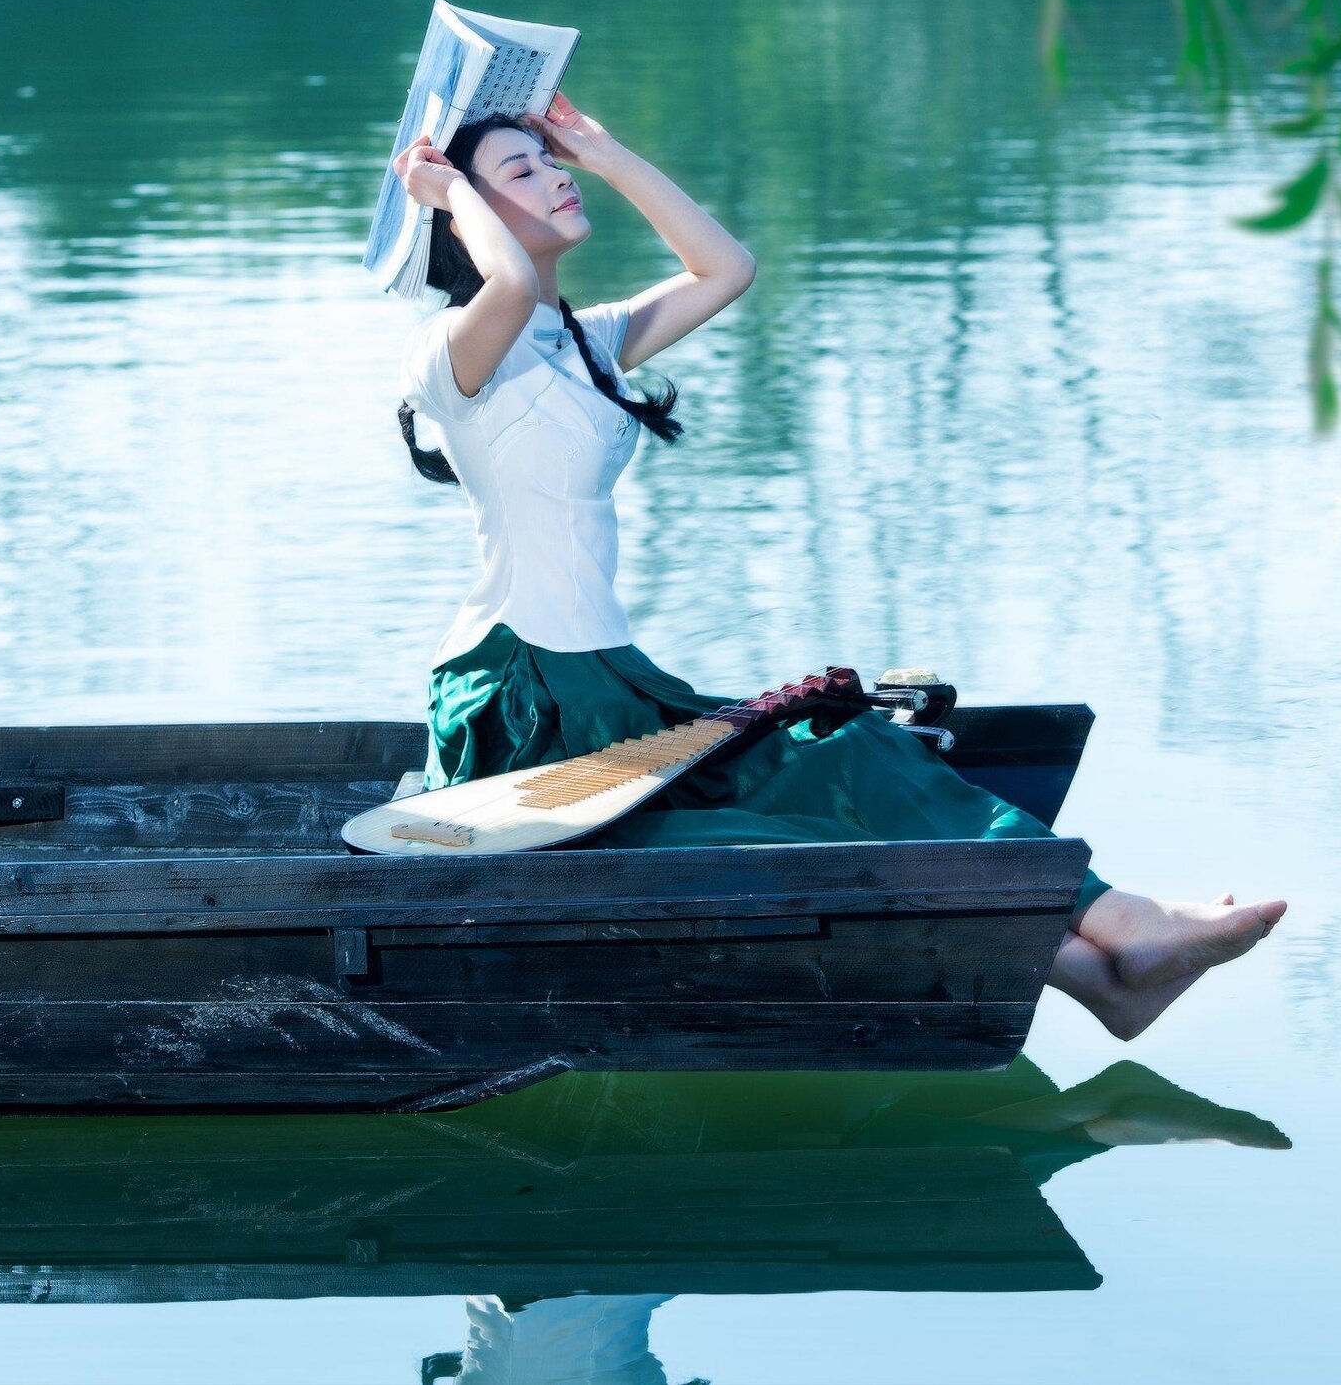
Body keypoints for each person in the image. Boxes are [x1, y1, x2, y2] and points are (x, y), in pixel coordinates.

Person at [388, 94, 1285, 1039]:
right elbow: (512, 287)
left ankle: (1107, 966)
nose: (554, 173)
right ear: (460, 215)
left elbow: (724, 268)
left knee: (853, 755)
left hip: (616, 687)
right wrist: (445, 187)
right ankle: (1121, 940)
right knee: (785, 827)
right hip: (521, 695)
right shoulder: (450, 356)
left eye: (549, 158)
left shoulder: (582, 340)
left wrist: (606, 152)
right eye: (521, 171)